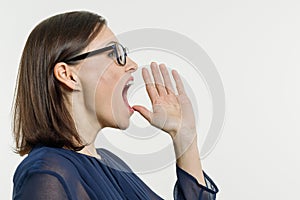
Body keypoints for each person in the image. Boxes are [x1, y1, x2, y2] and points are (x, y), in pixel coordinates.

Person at [12, 11, 219, 200]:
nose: (132, 64)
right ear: (68, 75)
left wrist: (185, 137)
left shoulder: (111, 164)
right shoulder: (47, 173)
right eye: (114, 54)